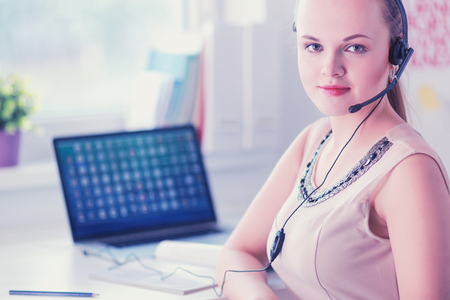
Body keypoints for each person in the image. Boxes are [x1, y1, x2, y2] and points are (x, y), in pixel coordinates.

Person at [216, 0, 450, 299]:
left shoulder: (410, 170)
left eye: (354, 48)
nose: (330, 69)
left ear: (396, 55)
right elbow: (237, 252)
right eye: (314, 46)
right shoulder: (316, 139)